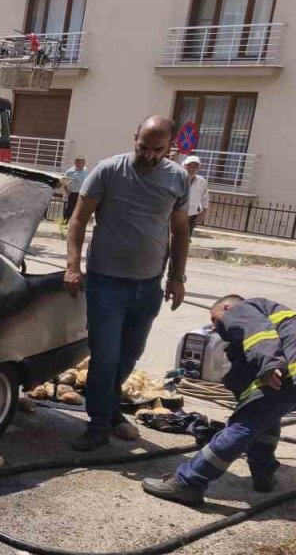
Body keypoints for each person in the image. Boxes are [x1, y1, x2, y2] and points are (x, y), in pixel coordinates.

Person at [65, 115, 192, 451]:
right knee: (105, 357)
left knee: (129, 355)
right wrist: (73, 266)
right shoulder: (108, 170)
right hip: (106, 283)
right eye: (143, 147)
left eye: (158, 150)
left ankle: (108, 409)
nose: (149, 155)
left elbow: (181, 232)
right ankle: (97, 425)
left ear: (170, 147)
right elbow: (78, 220)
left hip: (148, 286)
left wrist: (177, 277)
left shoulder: (178, 178)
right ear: (135, 137)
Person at [143, 296, 296, 505]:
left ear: (226, 307)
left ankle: (188, 482)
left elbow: (259, 333)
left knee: (242, 425)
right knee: (264, 415)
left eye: (214, 319)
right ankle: (263, 475)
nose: (215, 327)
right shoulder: (278, 321)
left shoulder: (243, 308)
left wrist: (270, 364)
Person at [182, 155, 210, 236]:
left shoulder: (202, 181)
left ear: (199, 168)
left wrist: (202, 215)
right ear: (184, 166)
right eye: (189, 166)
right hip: (176, 215)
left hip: (192, 216)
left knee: (186, 238)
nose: (192, 168)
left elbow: (205, 199)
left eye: (195, 166)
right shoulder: (177, 178)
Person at [61, 156, 89, 224]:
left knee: (81, 209)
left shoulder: (85, 170)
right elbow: (64, 182)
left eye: (83, 162)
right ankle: (64, 222)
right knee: (70, 208)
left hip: (82, 193)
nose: (83, 164)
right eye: (80, 162)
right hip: (73, 193)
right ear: (76, 162)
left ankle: (76, 223)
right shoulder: (70, 172)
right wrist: (67, 192)